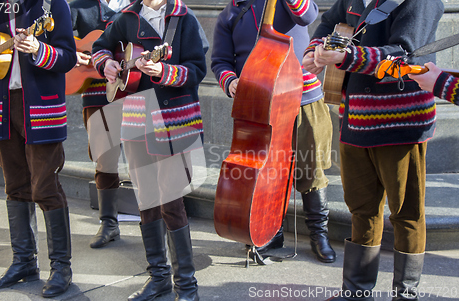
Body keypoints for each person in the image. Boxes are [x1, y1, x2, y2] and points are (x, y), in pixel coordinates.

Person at [303, 0, 444, 299]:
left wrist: (345, 56)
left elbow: (405, 54)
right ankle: (355, 292)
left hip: (400, 125)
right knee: (361, 210)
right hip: (354, 120)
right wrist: (314, 51)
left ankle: (405, 294)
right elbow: (328, 23)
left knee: (406, 213)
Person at [0, 0, 77, 298]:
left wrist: (39, 50)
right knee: (14, 186)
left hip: (41, 107)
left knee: (45, 187)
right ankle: (24, 262)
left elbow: (68, 58)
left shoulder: (51, 5)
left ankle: (61, 267)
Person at [92, 0, 208, 300]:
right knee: (146, 200)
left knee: (172, 202)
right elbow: (101, 46)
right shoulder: (127, 17)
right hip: (135, 119)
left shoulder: (184, 18)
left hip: (175, 122)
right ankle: (158, 278)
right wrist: (107, 64)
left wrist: (164, 71)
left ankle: (186, 285)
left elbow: (197, 71)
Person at [211, 0, 336, 264]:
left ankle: (319, 234)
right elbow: (220, 61)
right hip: (259, 105)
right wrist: (231, 81)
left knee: (310, 168)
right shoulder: (230, 13)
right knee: (269, 171)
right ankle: (269, 231)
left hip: (301, 95)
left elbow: (308, 15)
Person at [69, 0, 132, 249]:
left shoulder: (142, 5)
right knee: (105, 158)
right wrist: (70, 55)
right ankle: (108, 222)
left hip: (136, 88)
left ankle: (155, 223)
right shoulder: (78, 6)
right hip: (97, 92)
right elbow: (57, 41)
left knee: (148, 157)